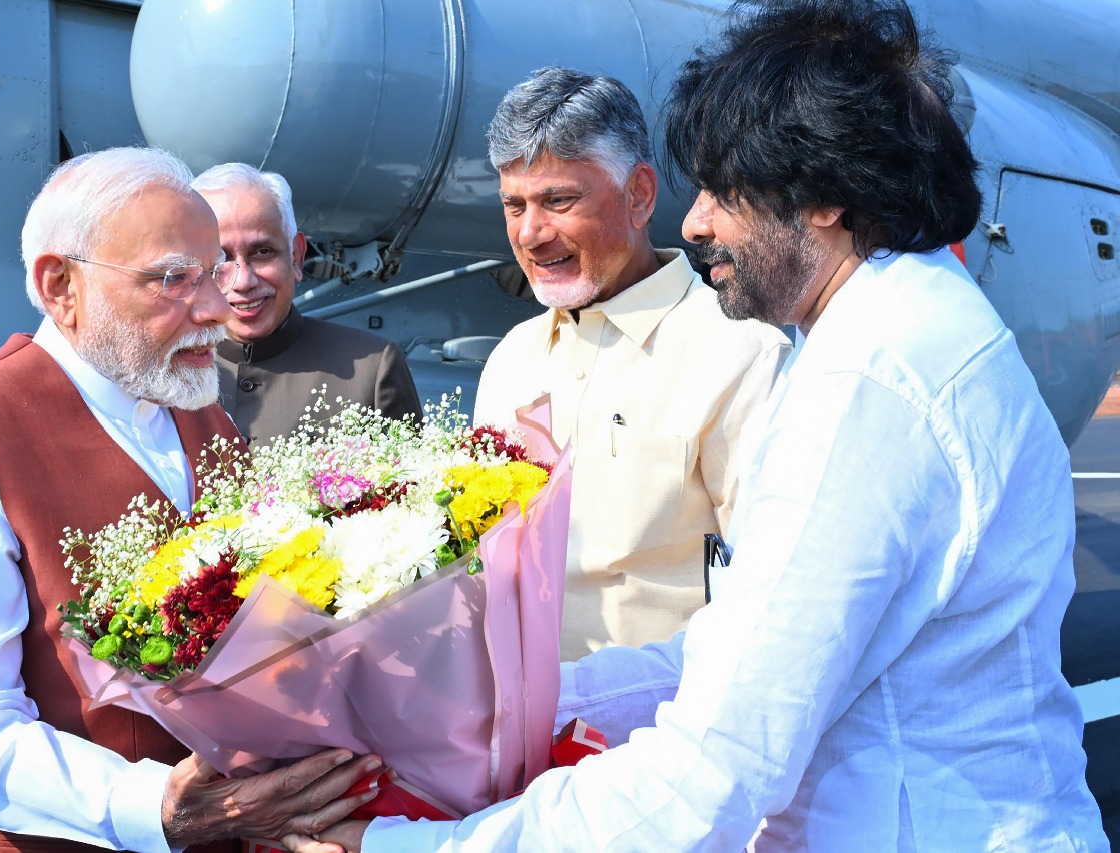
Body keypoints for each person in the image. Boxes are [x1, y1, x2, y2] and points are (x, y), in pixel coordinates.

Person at [293, 1, 1110, 849]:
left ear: (824, 193)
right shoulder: (902, 329)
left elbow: (716, 765)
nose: (695, 223)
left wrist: (404, 845)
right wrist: (497, 706)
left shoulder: (864, 384)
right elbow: (726, 657)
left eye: (726, 191)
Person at [0, 147, 380, 852]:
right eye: (173, 278)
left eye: (215, 273)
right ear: (60, 285)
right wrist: (153, 806)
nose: (215, 307)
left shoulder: (203, 414)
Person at [472, 67, 789, 660]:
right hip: (509, 735)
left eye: (558, 200)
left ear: (639, 195)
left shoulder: (740, 354)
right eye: (513, 206)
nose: (531, 233)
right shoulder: (510, 358)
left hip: (653, 736)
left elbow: (774, 599)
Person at [191, 164, 421, 443]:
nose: (243, 281)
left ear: (296, 257)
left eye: (263, 252)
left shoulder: (370, 372)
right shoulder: (167, 375)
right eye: (220, 259)